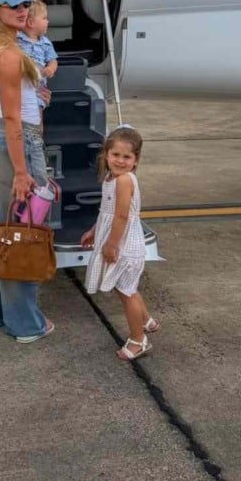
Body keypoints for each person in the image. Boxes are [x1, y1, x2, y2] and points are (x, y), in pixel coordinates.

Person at [0, 0, 55, 343]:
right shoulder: (10, 56)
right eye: (13, 6)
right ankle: (25, 324)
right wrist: (21, 171)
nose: (22, 11)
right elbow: (13, 118)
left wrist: (33, 95)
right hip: (17, 143)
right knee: (21, 233)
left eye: (24, 5)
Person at [81, 125, 160, 360]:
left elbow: (122, 216)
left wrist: (111, 245)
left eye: (127, 157)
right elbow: (108, 211)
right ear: (106, 154)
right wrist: (95, 230)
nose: (120, 160)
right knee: (127, 287)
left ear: (136, 160)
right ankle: (147, 321)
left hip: (125, 246)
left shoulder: (124, 181)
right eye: (115, 154)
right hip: (119, 241)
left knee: (127, 292)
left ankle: (138, 340)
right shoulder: (110, 178)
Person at [15, 0, 58, 112]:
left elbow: (53, 60)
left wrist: (51, 68)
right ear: (31, 23)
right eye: (44, 18)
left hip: (38, 89)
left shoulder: (45, 43)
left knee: (37, 112)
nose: (47, 21)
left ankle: (37, 125)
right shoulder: (17, 39)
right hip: (20, 87)